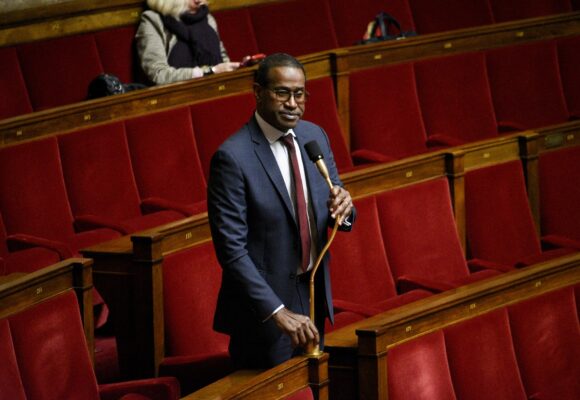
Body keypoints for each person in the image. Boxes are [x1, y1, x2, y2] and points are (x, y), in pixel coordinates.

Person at [208, 53, 355, 368]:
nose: (293, 103)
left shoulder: (314, 136)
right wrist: (276, 311)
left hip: (313, 293)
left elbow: (335, 202)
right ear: (258, 92)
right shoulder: (233, 157)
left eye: (299, 94)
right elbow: (231, 251)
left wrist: (345, 208)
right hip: (263, 316)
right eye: (282, 93)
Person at [136, 0, 240, 85]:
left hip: (217, 87)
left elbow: (222, 60)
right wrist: (209, 72)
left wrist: (237, 67)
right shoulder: (153, 20)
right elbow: (158, 74)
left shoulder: (206, 17)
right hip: (178, 95)